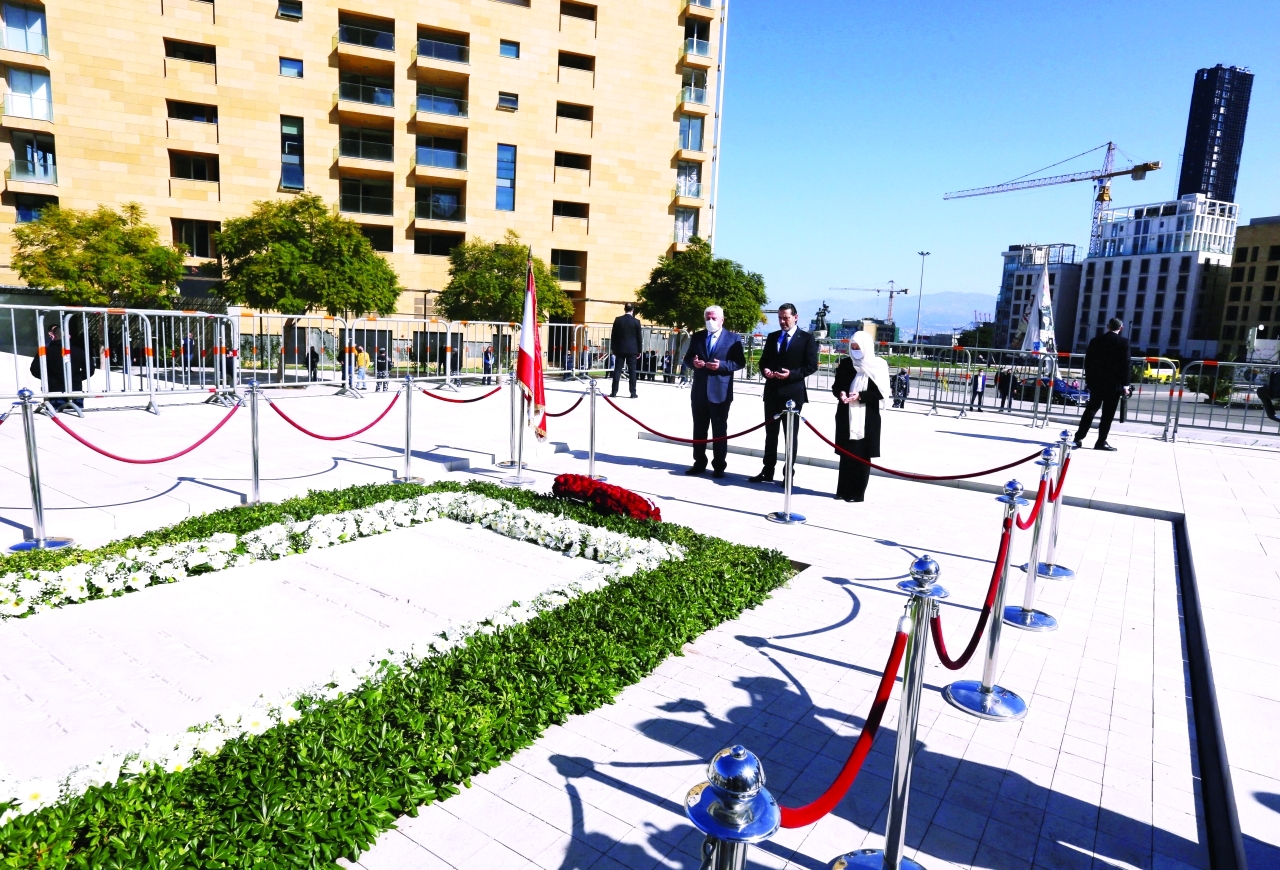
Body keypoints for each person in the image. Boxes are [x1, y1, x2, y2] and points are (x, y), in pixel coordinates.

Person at [749, 303, 819, 484]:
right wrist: (765, 370)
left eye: (786, 318)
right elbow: (763, 361)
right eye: (780, 318)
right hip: (772, 392)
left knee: (790, 437)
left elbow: (812, 366)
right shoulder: (773, 337)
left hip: (793, 395)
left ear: (795, 317)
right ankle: (767, 470)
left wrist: (791, 374)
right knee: (770, 435)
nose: (782, 321)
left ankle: (788, 474)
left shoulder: (806, 338)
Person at [684, 306, 745, 478]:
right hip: (699, 391)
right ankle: (699, 462)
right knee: (699, 429)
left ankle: (719, 465)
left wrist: (721, 366)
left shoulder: (733, 338)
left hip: (720, 391)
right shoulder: (698, 337)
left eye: (714, 318)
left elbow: (739, 362)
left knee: (719, 430)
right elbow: (688, 358)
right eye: (707, 318)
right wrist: (693, 363)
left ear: (722, 320)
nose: (710, 321)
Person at [832, 331, 889, 502]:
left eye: (858, 347)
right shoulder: (846, 364)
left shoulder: (878, 365)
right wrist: (841, 394)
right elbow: (837, 386)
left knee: (862, 455)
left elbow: (881, 392)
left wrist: (860, 396)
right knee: (846, 453)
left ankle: (857, 493)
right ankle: (843, 490)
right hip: (846, 414)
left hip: (866, 417)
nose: (856, 350)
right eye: (853, 347)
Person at [1073, 318, 1131, 451]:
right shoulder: (1124, 342)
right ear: (1121, 328)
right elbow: (1126, 364)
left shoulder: (1095, 341)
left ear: (1107, 326)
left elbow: (1088, 362)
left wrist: (1089, 380)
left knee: (1090, 410)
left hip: (1097, 383)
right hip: (1114, 384)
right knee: (1107, 414)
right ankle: (1101, 441)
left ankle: (1078, 438)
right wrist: (1126, 385)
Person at [610, 302, 643, 398]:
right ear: (633, 310)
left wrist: (613, 348)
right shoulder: (636, 322)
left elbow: (613, 335)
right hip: (632, 350)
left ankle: (614, 392)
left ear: (624, 309)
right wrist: (639, 350)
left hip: (620, 349)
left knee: (617, 370)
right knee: (632, 371)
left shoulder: (618, 320)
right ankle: (633, 393)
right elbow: (639, 338)